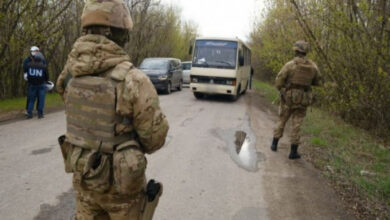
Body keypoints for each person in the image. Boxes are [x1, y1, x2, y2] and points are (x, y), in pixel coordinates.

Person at [56, 0, 169, 219]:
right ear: (118, 33)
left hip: (85, 178)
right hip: (122, 189)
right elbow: (154, 139)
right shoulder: (133, 79)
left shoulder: (70, 74)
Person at [270, 40, 322, 159]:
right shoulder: (313, 66)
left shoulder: (290, 65)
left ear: (296, 50)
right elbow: (318, 82)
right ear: (305, 52)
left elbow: (278, 81)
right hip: (303, 99)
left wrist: (282, 90)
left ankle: (274, 144)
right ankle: (293, 152)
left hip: (288, 99)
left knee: (282, 120)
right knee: (297, 125)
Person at [25, 47, 49, 119]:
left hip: (32, 84)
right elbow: (47, 77)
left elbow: (27, 75)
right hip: (41, 85)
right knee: (41, 99)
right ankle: (40, 114)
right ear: (41, 59)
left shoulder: (29, 65)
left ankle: (29, 113)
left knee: (31, 100)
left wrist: (30, 80)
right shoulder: (43, 67)